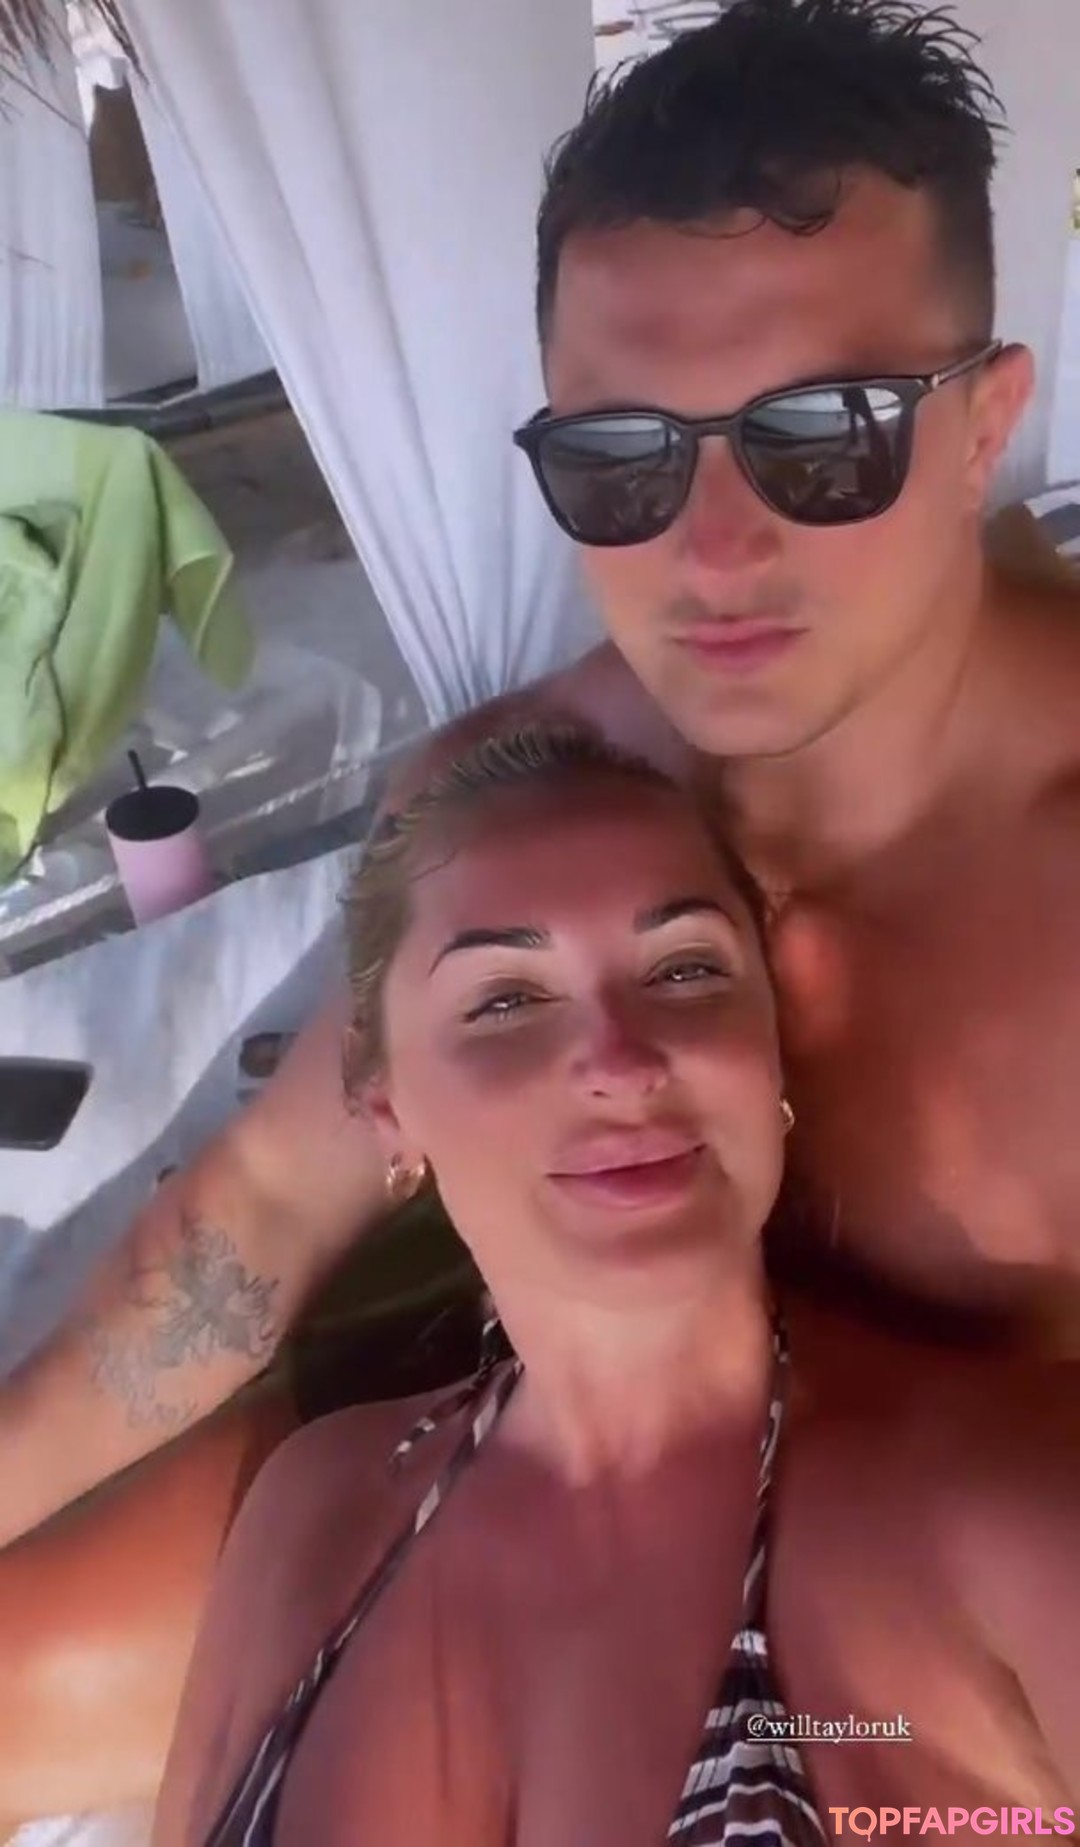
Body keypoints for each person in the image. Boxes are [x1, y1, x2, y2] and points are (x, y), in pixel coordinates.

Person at [5, 0, 1080, 1546]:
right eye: (625, 457)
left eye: (824, 439)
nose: (715, 553)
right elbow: (267, 1210)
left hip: (937, 1583)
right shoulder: (521, 795)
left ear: (985, 429)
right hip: (540, 1437)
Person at [137, 725, 1073, 1846]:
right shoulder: (311, 1508)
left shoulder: (1005, 1511)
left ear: (772, 1046)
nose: (623, 1064)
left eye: (686, 969)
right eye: (506, 1000)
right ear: (389, 1110)